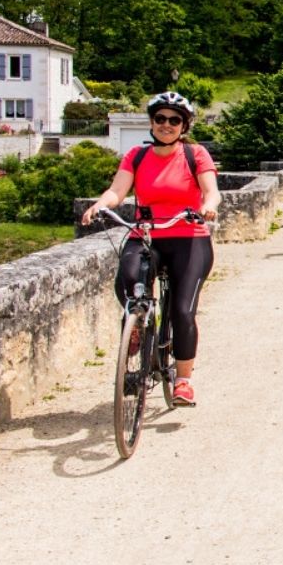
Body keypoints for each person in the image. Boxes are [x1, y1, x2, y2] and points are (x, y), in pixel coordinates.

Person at [81, 91, 219, 407]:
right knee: (128, 281)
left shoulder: (194, 154)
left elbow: (211, 191)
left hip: (189, 237)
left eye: (174, 120)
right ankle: (138, 328)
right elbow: (117, 191)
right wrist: (101, 205)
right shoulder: (136, 156)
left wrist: (208, 206)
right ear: (152, 123)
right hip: (146, 234)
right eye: (160, 119)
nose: (166, 125)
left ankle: (183, 380)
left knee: (183, 311)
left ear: (184, 125)